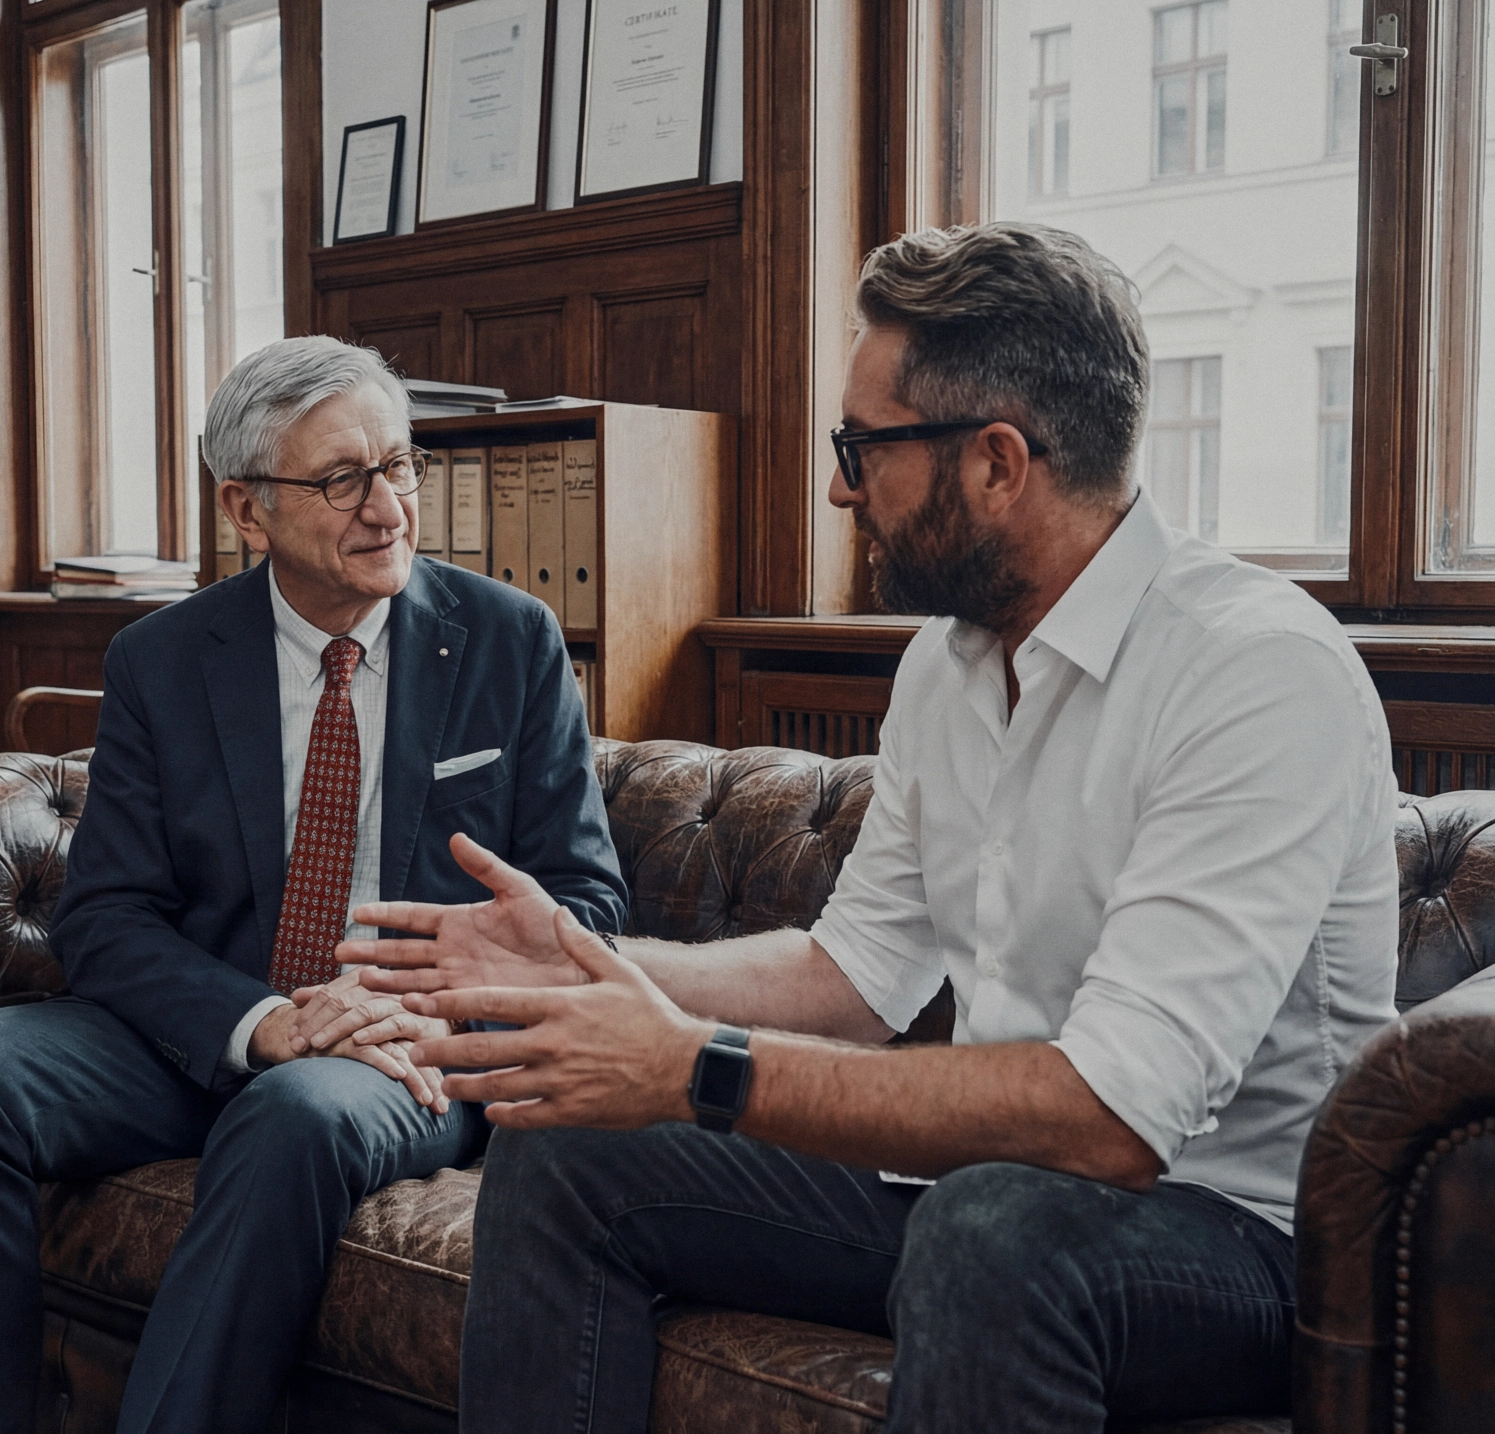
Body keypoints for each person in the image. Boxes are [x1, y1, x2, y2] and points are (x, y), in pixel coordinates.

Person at [347, 224, 1399, 1433]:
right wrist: (598, 968)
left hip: (1246, 1237)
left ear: (998, 463)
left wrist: (693, 1066)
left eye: (862, 448)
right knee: (568, 1145)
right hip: (993, 1187)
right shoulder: (945, 669)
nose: (842, 488)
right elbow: (852, 976)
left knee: (993, 1231)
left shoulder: (1254, 675)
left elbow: (1112, 1120)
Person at [0, 336, 625, 1434]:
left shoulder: (510, 641)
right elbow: (109, 917)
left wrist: (416, 1002)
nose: (389, 510)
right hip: (220, 1023)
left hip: (400, 1045)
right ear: (247, 509)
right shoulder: (163, 659)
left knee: (297, 1116)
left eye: (401, 466)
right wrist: (264, 1021)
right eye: (341, 480)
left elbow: (588, 909)